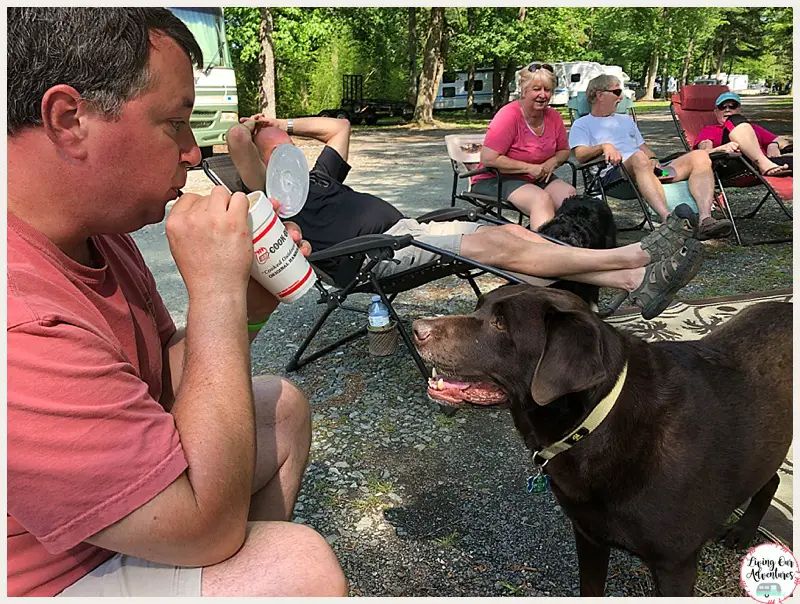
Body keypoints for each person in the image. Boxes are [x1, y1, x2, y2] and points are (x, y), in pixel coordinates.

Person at [7, 8, 347, 598]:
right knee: (298, 568)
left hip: (106, 520)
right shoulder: (19, 320)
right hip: (43, 574)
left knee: (281, 408)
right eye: (175, 123)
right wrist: (212, 293)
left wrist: (244, 300)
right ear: (69, 119)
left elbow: (162, 384)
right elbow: (205, 531)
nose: (193, 154)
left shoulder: (99, 231)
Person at [226, 113, 704, 320]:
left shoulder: (320, 177)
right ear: (269, 171)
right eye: (278, 152)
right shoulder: (272, 206)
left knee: (519, 236)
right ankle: (635, 259)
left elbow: (339, 127)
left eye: (288, 146)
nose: (287, 150)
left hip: (408, 231)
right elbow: (237, 146)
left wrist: (283, 124)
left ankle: (628, 279)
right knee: (501, 247)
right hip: (378, 258)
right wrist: (250, 130)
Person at [569, 74, 733, 241]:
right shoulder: (582, 124)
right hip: (614, 177)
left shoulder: (625, 120)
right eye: (617, 92)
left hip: (649, 171)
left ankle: (706, 220)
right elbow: (580, 156)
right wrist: (604, 146)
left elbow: (644, 149)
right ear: (599, 95)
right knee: (640, 158)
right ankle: (668, 222)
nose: (621, 97)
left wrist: (653, 158)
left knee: (700, 156)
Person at [470, 63, 577, 230]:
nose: (543, 95)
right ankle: (541, 251)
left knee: (569, 197)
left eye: (547, 90)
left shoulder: (554, 117)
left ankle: (567, 244)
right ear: (524, 89)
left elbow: (564, 150)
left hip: (537, 178)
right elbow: (489, 158)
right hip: (496, 179)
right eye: (536, 89)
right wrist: (529, 168)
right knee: (540, 200)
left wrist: (553, 162)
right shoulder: (509, 115)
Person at [694, 91, 792, 178]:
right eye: (722, 107)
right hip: (733, 164)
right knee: (734, 120)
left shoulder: (750, 128)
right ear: (716, 112)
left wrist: (774, 144)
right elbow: (704, 152)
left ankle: (764, 164)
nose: (727, 109)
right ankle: (764, 165)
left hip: (766, 165)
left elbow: (782, 140)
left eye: (733, 106)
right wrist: (719, 149)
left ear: (739, 110)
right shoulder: (709, 130)